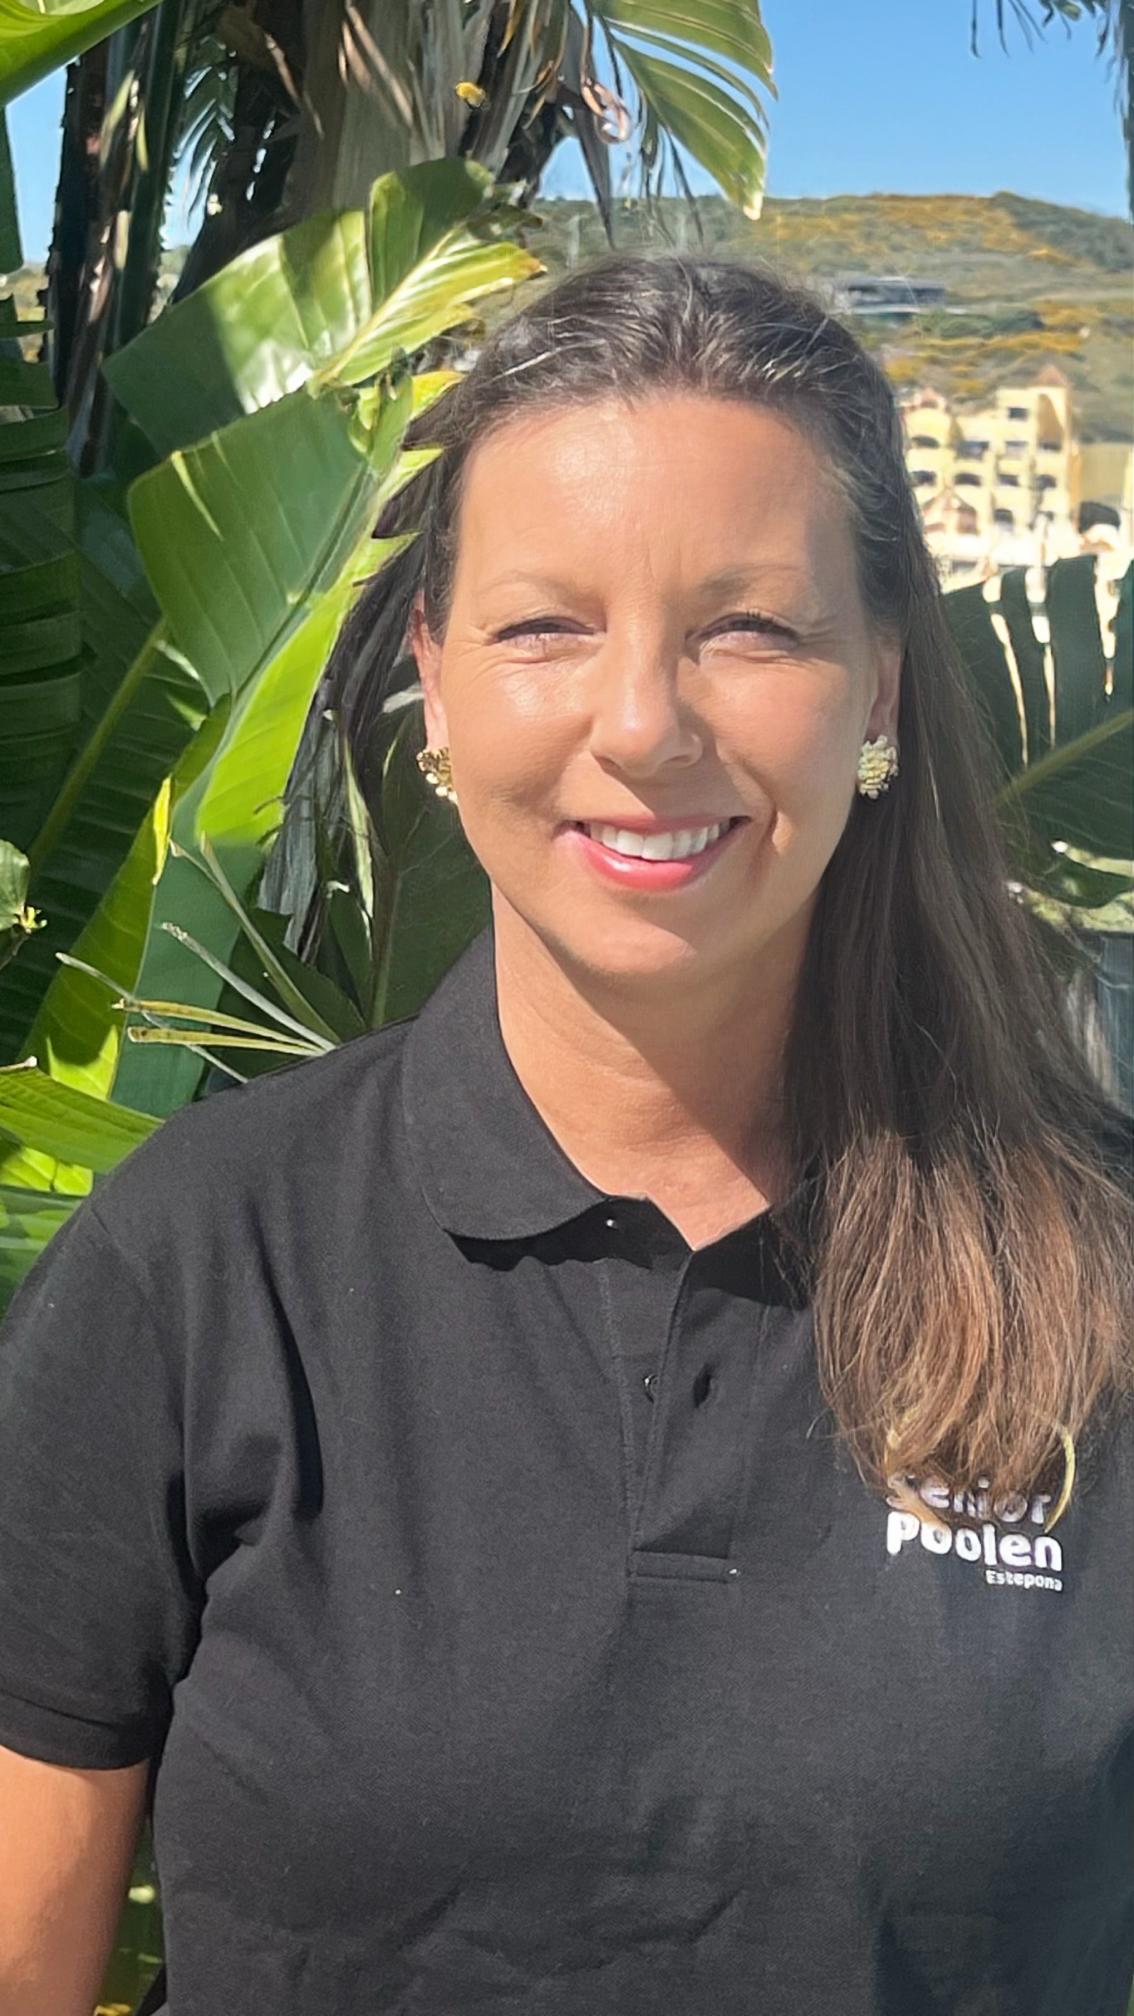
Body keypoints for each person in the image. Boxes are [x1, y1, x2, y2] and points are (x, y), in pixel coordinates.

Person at [1, 253, 1132, 2016]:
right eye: (545, 627)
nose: (641, 726)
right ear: (437, 686)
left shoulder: (1093, 1269)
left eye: (746, 628)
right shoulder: (203, 1257)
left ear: (879, 687)